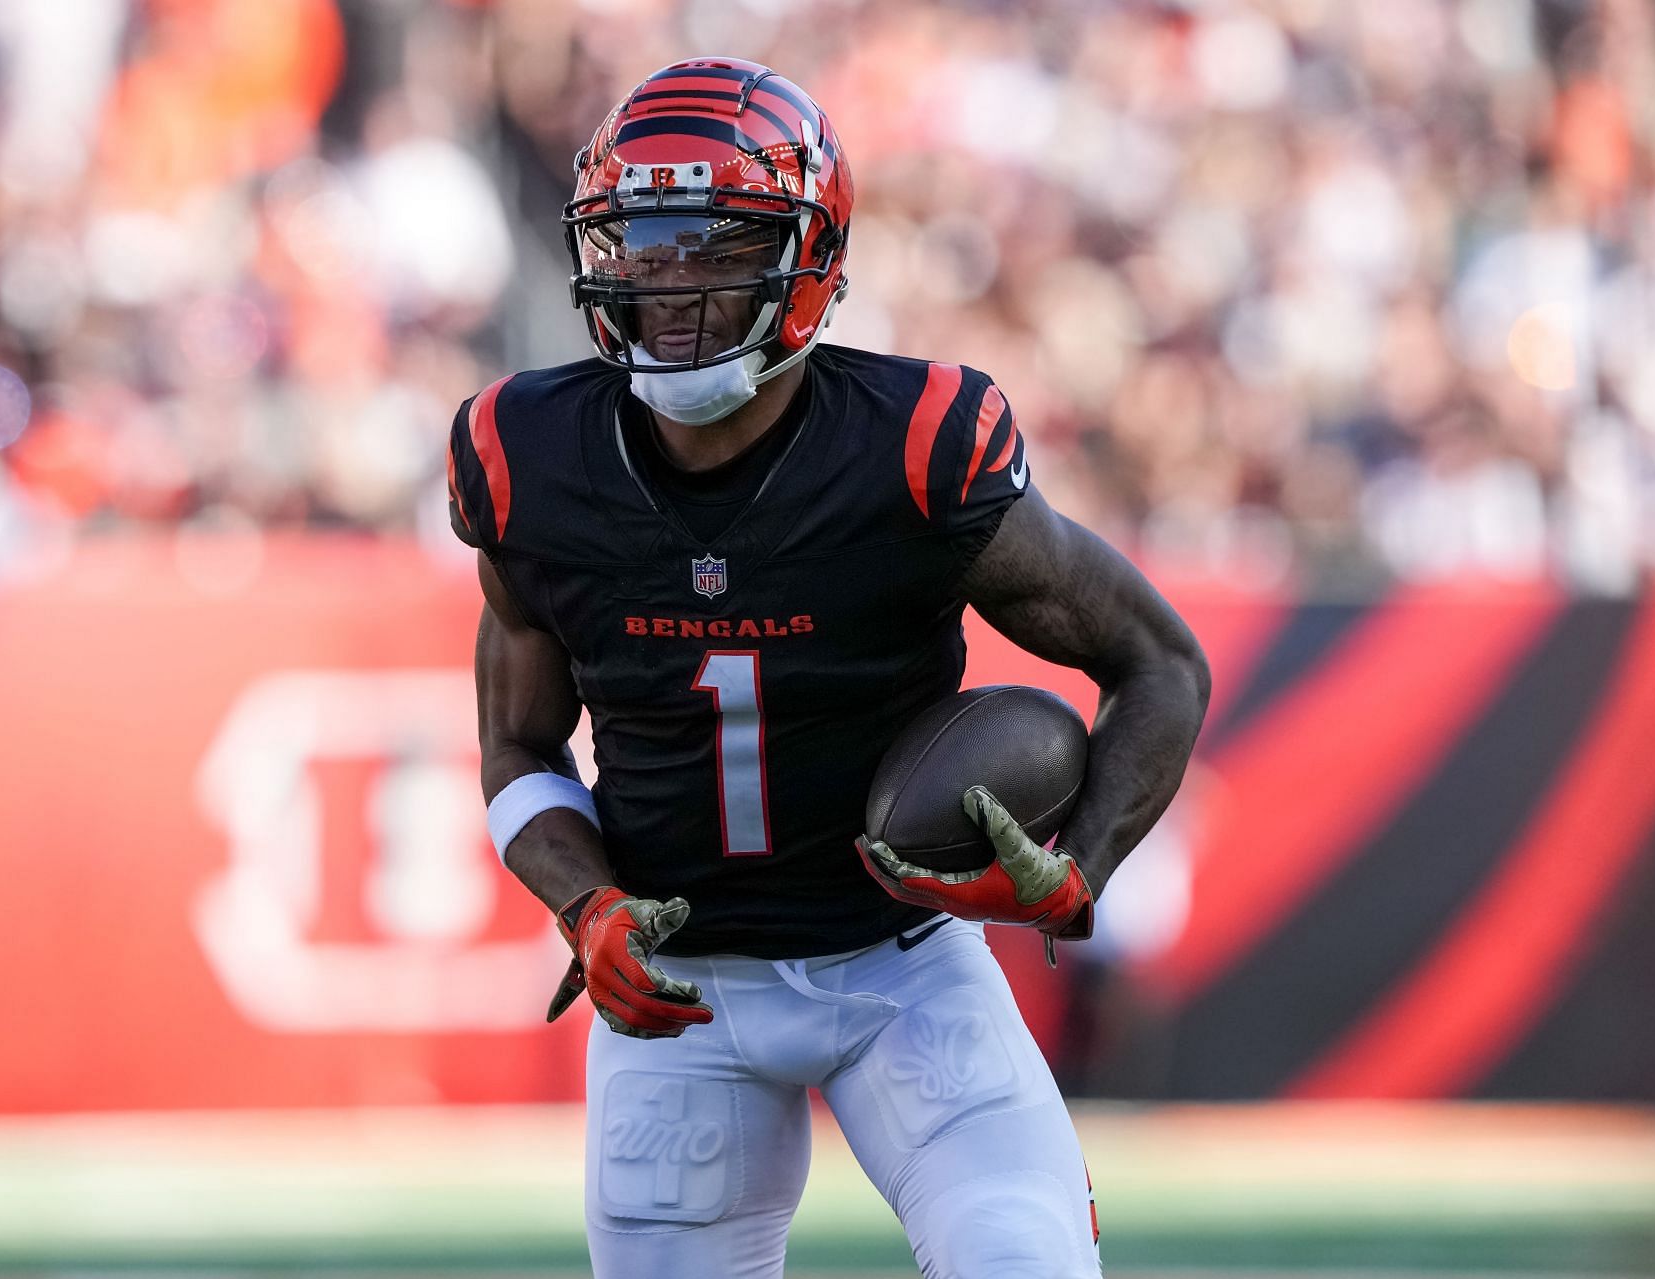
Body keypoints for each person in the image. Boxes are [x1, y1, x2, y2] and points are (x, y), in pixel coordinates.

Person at [445, 57, 1210, 1279]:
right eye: (643, 245)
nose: (671, 284)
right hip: (677, 989)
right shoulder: (524, 455)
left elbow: (1157, 660)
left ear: (809, 260)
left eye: (714, 243)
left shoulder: (916, 446)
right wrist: (585, 907)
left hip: (898, 965)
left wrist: (1083, 870)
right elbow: (518, 747)